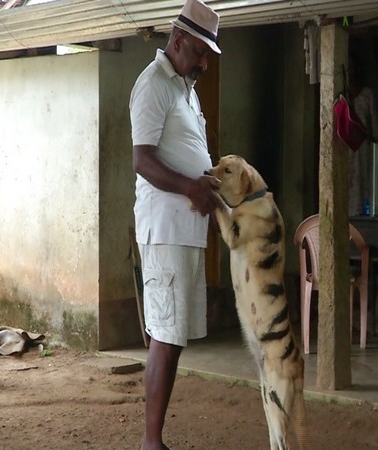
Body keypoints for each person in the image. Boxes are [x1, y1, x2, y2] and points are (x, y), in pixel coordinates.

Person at [128, 1, 222, 449]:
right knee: (165, 335)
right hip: (164, 228)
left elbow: (185, 152)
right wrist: (191, 188)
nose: (204, 62)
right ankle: (151, 443)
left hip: (186, 230)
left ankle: (154, 440)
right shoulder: (153, 85)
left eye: (208, 55)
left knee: (175, 333)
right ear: (178, 40)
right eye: (200, 52)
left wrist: (208, 185)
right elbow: (143, 160)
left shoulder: (186, 87)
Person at [347, 52, 378, 217]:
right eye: (347, 67)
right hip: (344, 149)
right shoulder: (338, 93)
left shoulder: (367, 94)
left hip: (363, 150)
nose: (350, 72)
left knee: (363, 185)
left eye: (352, 67)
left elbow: (375, 129)